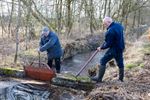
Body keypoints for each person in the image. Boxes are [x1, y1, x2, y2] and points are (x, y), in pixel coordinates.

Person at [91, 17, 125, 82]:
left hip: (114, 49)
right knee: (120, 63)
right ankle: (121, 79)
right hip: (121, 47)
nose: (104, 25)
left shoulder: (110, 31)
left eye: (105, 24)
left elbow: (108, 44)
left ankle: (99, 79)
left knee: (102, 61)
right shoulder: (119, 25)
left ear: (109, 22)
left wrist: (101, 48)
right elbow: (115, 36)